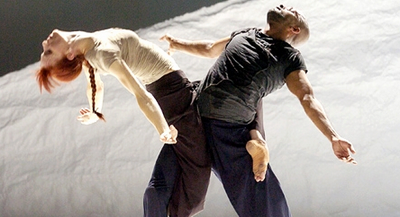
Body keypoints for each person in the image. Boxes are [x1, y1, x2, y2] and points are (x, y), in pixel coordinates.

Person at [161, 4, 357, 217]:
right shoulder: (246, 33)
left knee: (262, 195)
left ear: (294, 29)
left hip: (227, 129)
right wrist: (177, 44)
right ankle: (257, 140)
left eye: (293, 11)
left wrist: (333, 137)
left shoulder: (288, 57)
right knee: (175, 187)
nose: (285, 5)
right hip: (195, 115)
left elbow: (307, 97)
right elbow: (209, 49)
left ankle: (256, 144)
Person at [36, 28, 212, 217]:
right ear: (69, 55)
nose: (44, 43)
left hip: (170, 93)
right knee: (196, 173)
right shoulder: (101, 54)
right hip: (173, 95)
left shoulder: (84, 47)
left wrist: (95, 111)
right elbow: (140, 95)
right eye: (48, 52)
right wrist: (163, 129)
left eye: (45, 50)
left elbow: (95, 85)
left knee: (164, 186)